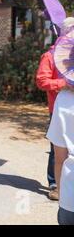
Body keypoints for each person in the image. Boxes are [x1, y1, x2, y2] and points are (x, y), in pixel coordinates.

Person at [35, 22, 70, 201]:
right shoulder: (49, 56)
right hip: (58, 110)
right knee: (57, 149)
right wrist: (63, 84)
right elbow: (42, 81)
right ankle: (54, 183)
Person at [46, 17, 74, 225]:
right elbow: (42, 80)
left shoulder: (64, 101)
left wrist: (59, 188)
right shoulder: (47, 56)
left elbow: (60, 157)